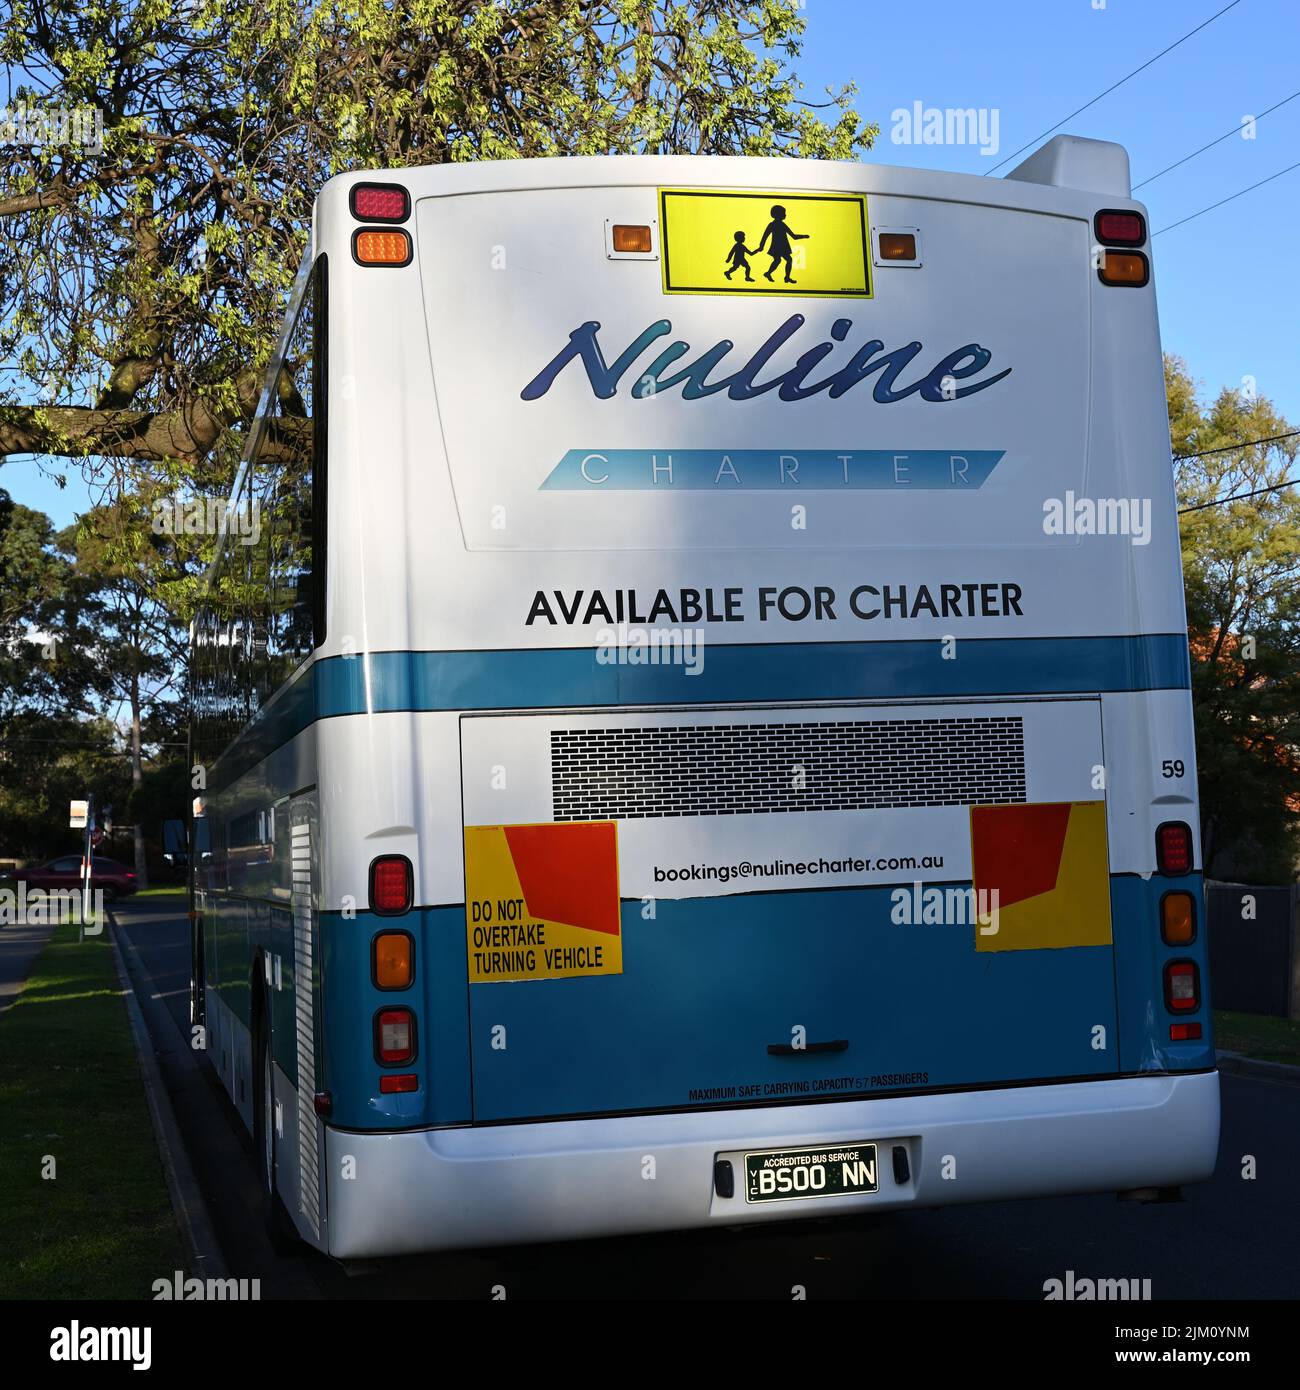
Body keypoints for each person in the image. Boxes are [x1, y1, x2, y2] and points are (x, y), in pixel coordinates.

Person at [757, 204, 808, 283]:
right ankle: (776, 275)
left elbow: (793, 236)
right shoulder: (772, 225)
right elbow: (765, 236)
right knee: (781, 260)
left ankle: (776, 275)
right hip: (777, 246)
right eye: (784, 213)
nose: (785, 215)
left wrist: (803, 236)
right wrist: (761, 246)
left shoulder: (782, 225)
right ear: (778, 214)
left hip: (783, 246)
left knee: (784, 260)